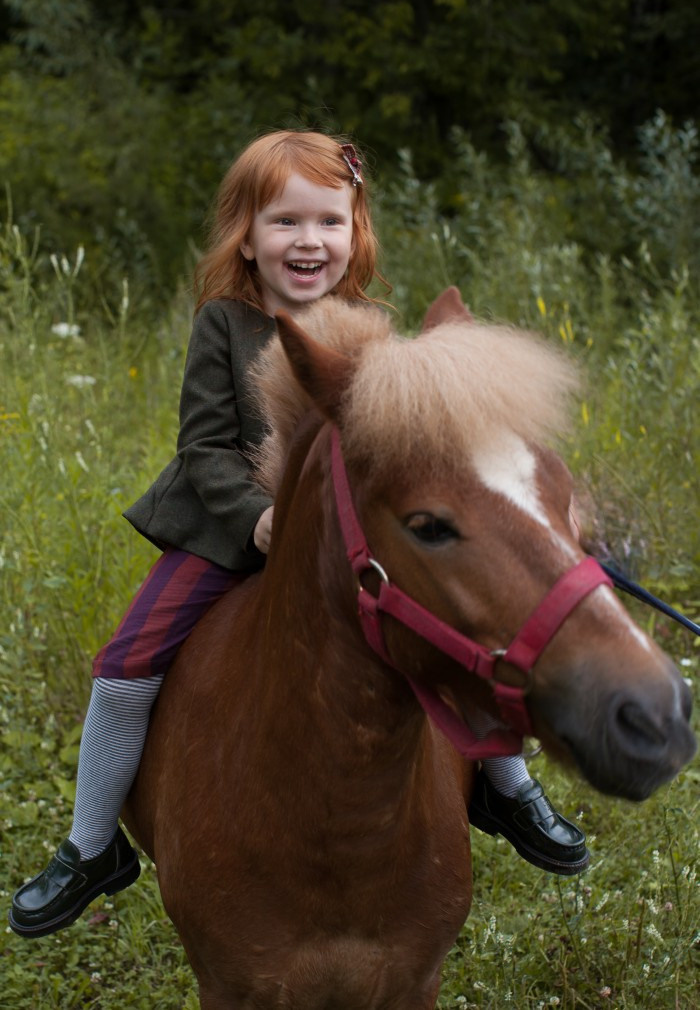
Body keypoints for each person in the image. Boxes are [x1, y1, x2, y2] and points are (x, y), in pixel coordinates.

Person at [9, 131, 587, 941]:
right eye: (284, 221)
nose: (307, 240)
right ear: (246, 238)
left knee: (452, 625)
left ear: (355, 232)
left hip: (347, 540)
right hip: (231, 532)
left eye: (328, 221)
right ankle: (90, 842)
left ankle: (508, 786)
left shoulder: (373, 329)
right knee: (125, 665)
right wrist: (257, 516)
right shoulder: (226, 324)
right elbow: (205, 448)